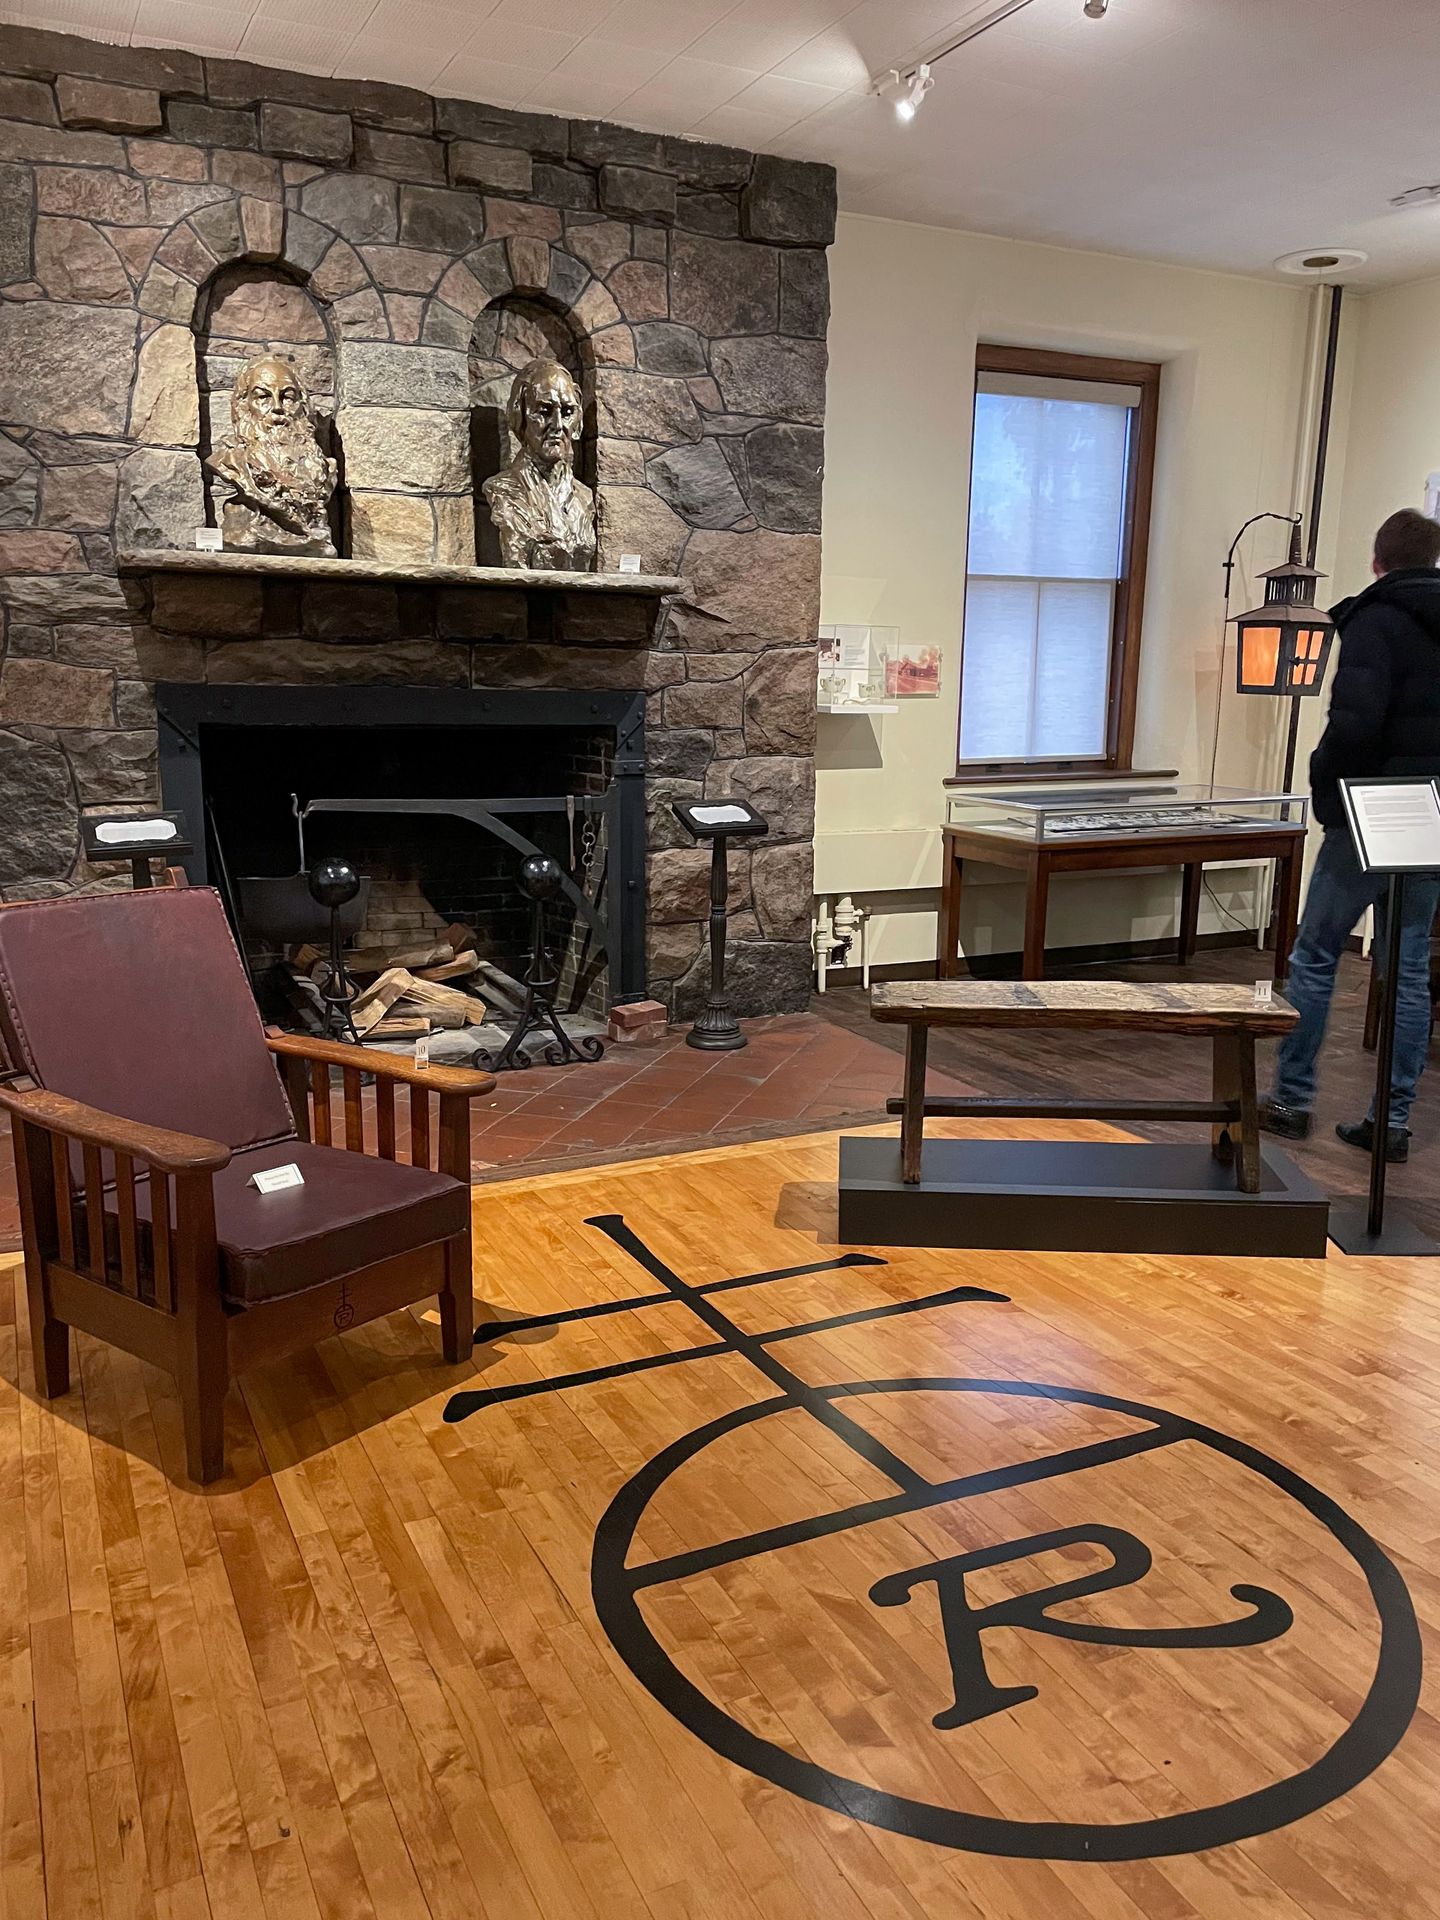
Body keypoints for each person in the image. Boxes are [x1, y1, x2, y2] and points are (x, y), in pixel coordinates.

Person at [1260, 507, 1440, 1162]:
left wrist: (1322, 784)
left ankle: (1291, 1098)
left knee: (1316, 953)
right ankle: (1390, 1120)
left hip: (1369, 810)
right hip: (1431, 815)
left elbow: (1355, 723)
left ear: (1377, 559)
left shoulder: (1374, 619)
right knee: (1409, 969)